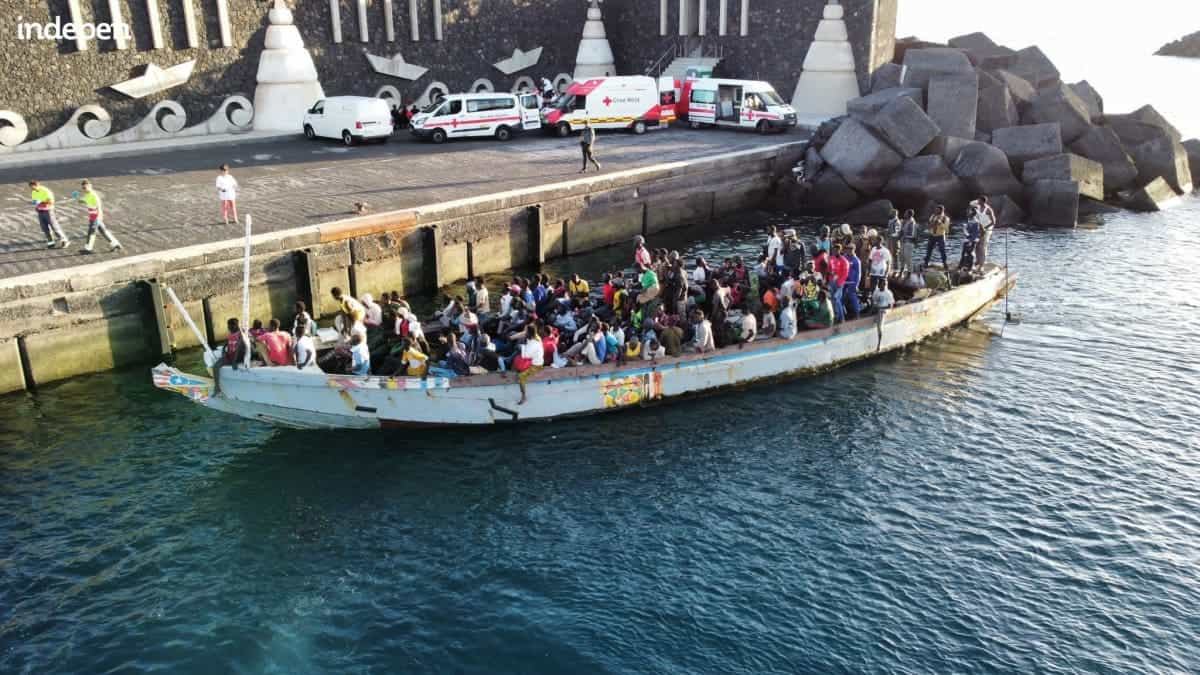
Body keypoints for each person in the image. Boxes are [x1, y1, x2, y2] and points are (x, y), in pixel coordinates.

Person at [73, 179, 122, 254]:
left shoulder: (93, 195)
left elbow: (99, 206)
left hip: (95, 217)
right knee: (103, 231)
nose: (84, 189)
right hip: (94, 216)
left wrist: (100, 216)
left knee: (91, 232)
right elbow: (81, 201)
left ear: (90, 186)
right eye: (83, 188)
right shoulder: (87, 195)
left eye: (85, 188)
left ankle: (88, 249)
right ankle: (115, 244)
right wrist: (76, 197)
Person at [29, 180, 69, 248]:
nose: (32, 189)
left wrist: (41, 202)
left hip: (48, 211)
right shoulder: (33, 192)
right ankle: (51, 242)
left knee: (54, 226)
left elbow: (51, 201)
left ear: (37, 185)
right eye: (31, 188)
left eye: (33, 188)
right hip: (40, 211)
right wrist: (36, 205)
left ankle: (64, 240)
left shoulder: (45, 191)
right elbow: (35, 201)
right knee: (44, 227)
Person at [515, 324, 544, 404]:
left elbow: (525, 355)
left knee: (521, 376)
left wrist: (521, 347)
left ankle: (523, 396)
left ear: (529, 333)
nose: (524, 333)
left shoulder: (534, 344)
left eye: (526, 331)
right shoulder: (535, 336)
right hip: (531, 358)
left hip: (536, 365)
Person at [827, 243, 849, 324]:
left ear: (840, 251)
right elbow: (829, 268)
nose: (835, 251)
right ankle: (836, 316)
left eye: (836, 250)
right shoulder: (831, 258)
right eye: (833, 250)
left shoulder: (844, 260)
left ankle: (842, 318)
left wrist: (840, 283)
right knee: (833, 299)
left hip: (839, 283)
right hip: (832, 282)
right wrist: (830, 275)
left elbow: (845, 274)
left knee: (837, 299)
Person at [924, 205, 951, 269]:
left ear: (942, 210)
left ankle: (944, 263)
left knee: (942, 250)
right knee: (929, 250)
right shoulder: (932, 216)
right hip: (932, 235)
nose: (936, 211)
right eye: (935, 209)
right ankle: (926, 263)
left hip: (940, 236)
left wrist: (940, 223)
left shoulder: (946, 218)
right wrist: (930, 225)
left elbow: (946, 229)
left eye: (937, 210)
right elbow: (929, 225)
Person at [974, 196, 996, 267]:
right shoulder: (977, 207)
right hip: (978, 228)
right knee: (976, 245)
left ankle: (982, 263)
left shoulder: (988, 209)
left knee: (982, 246)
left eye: (979, 200)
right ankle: (977, 261)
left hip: (987, 229)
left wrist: (984, 228)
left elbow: (993, 222)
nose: (978, 201)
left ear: (983, 201)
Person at [842, 246, 861, 320]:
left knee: (853, 297)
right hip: (844, 281)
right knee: (841, 297)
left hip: (852, 281)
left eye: (851, 249)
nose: (849, 251)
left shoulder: (856, 260)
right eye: (848, 249)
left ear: (854, 250)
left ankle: (857, 315)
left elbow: (859, 274)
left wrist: (856, 285)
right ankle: (843, 313)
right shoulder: (844, 257)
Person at [897, 209, 917, 275]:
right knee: (902, 256)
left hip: (909, 242)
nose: (904, 214)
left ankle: (910, 272)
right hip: (903, 241)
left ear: (909, 214)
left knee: (908, 257)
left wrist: (902, 234)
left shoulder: (912, 222)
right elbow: (901, 231)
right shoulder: (904, 221)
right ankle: (901, 270)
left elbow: (912, 234)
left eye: (905, 213)